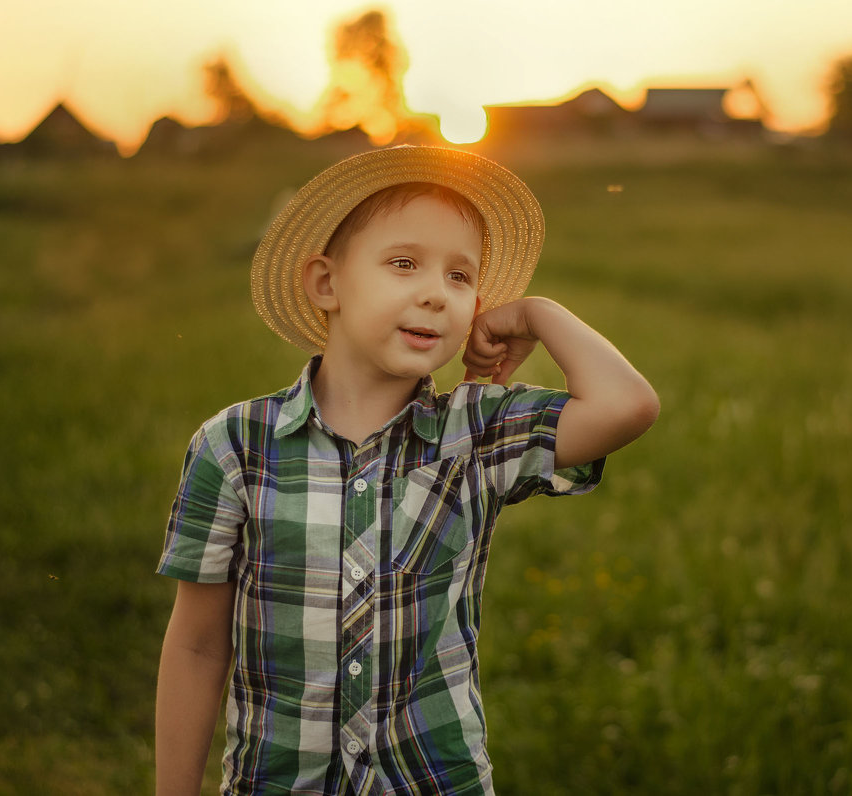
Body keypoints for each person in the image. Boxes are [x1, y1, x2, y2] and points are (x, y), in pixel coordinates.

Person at [154, 146, 659, 796]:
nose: (434, 293)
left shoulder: (475, 431)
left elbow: (629, 405)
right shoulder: (236, 446)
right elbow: (197, 645)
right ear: (326, 284)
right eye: (403, 263)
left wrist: (537, 313)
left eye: (460, 277)